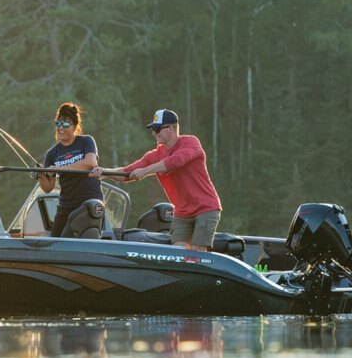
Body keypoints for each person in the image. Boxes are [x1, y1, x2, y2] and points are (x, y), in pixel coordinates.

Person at [94, 108, 221, 251]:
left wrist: (145, 170)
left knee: (197, 254)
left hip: (205, 209)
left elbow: (175, 161)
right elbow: (126, 173)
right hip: (182, 213)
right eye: (153, 130)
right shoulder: (154, 155)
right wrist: (103, 172)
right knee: (177, 254)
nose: (154, 133)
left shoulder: (191, 142)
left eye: (157, 129)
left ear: (171, 128)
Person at [39, 102, 102, 238]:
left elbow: (90, 163)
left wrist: (58, 168)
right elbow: (48, 188)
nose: (61, 128)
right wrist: (41, 174)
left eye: (66, 124)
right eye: (58, 124)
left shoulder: (86, 141)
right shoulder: (52, 153)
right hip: (66, 205)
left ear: (75, 126)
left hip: (88, 202)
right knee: (55, 242)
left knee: (82, 238)